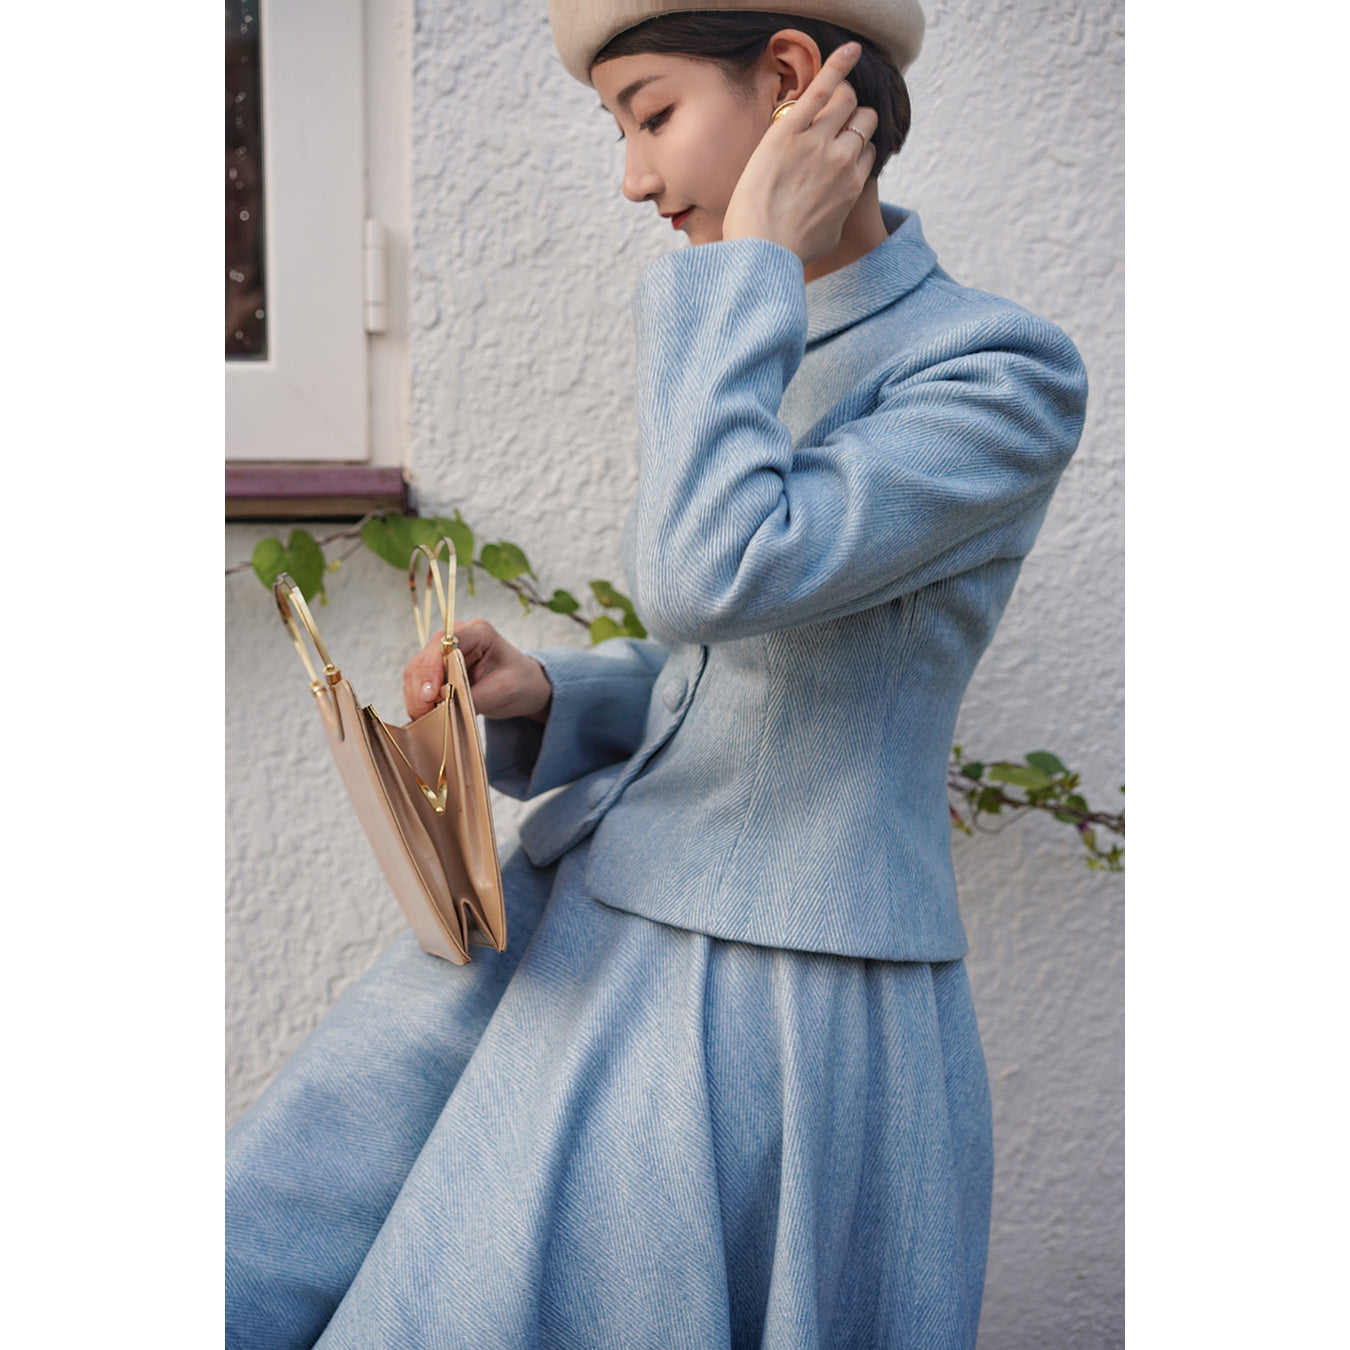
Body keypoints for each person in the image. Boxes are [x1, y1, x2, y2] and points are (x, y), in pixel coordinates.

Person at [226, 4, 1088, 1346]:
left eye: (650, 112)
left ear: (792, 79)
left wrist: (744, 270)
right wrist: (560, 697)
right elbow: (735, 656)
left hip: (774, 994)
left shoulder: (993, 373)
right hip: (598, 920)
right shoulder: (750, 326)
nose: (631, 175)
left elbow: (712, 574)